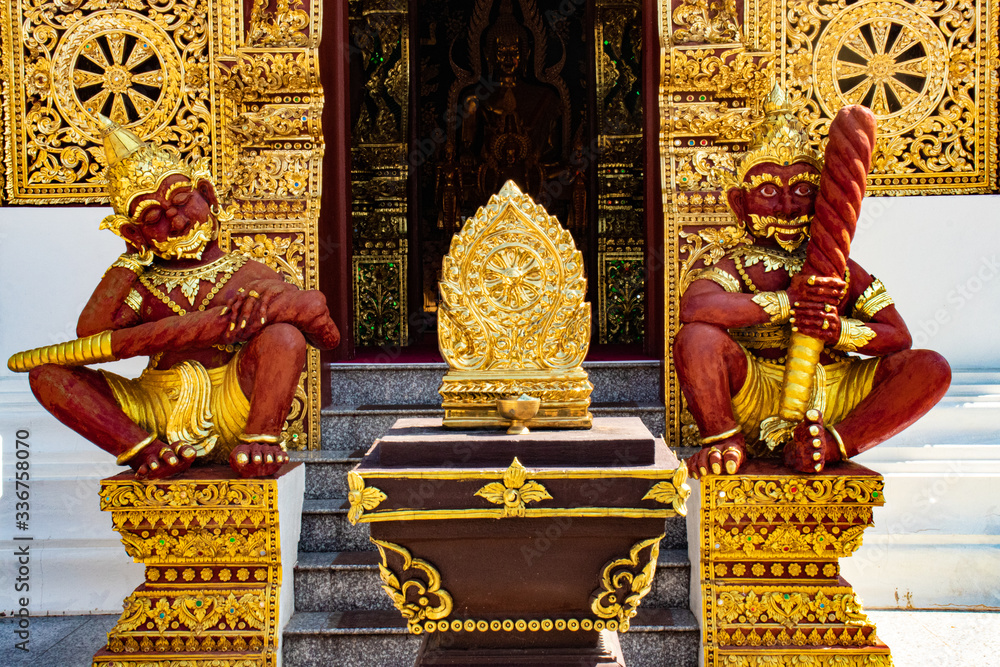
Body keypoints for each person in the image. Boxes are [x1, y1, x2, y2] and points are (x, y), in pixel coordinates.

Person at [14, 117, 340, 479]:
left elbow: (325, 335)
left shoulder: (248, 275)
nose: (177, 221)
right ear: (133, 232)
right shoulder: (144, 284)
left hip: (233, 398)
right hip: (154, 407)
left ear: (207, 195)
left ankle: (260, 439)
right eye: (153, 217)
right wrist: (130, 260)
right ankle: (144, 450)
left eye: (183, 201)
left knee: (284, 336)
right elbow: (91, 333)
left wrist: (277, 305)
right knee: (46, 376)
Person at [675, 89, 950, 479]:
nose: (787, 206)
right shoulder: (736, 264)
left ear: (821, 200)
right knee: (697, 339)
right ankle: (724, 440)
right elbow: (696, 309)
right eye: (768, 191)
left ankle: (835, 444)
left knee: (930, 367)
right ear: (740, 204)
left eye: (802, 190)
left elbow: (898, 336)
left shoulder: (839, 268)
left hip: (837, 393)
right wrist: (786, 302)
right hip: (761, 389)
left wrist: (838, 331)